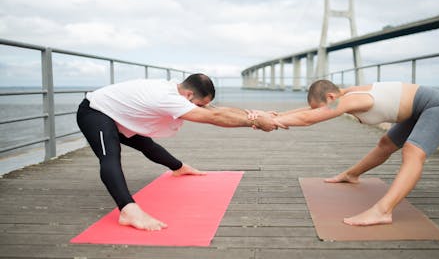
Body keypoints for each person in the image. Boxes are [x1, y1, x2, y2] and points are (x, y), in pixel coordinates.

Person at [77, 73, 286, 231]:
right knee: (110, 156)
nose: (201, 108)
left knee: (147, 145)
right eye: (198, 104)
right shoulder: (166, 97)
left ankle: (179, 168)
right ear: (189, 94)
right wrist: (257, 122)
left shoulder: (176, 89)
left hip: (118, 115)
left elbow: (214, 111)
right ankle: (128, 211)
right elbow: (214, 118)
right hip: (96, 112)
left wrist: (254, 115)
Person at [273, 80, 439, 226]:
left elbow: (309, 118)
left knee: (413, 152)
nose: (323, 111)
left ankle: (383, 211)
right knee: (386, 143)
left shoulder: (353, 99)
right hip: (417, 112)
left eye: (323, 107)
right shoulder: (345, 94)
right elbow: (311, 111)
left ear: (330, 97)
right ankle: (351, 175)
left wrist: (272, 122)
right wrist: (277, 116)